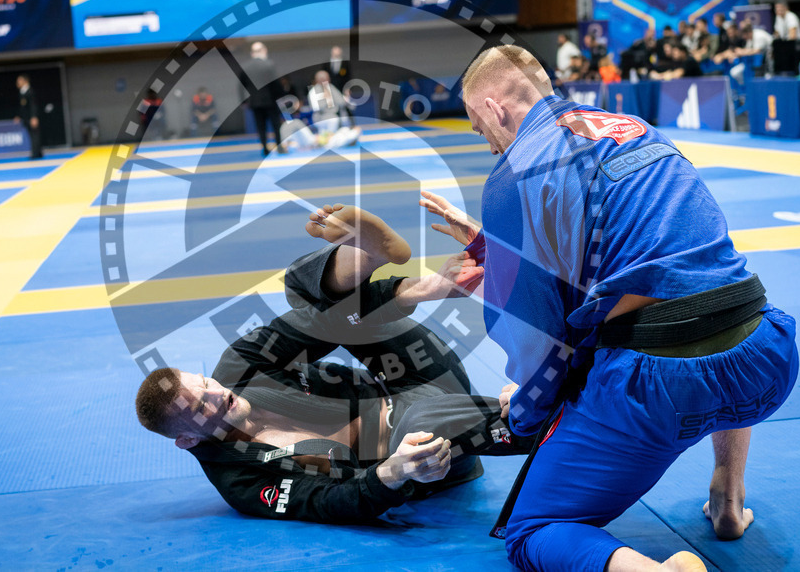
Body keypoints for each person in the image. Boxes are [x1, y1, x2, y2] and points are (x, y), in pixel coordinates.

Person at [420, 44, 798, 572]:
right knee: (705, 299)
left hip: (661, 386)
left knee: (534, 530)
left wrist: (529, 410)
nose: (487, 145)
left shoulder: (512, 177)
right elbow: (660, 253)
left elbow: (537, 334)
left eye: (479, 130)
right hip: (765, 354)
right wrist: (496, 246)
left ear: (492, 109)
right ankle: (729, 499)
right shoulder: (634, 126)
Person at [135, 204, 531, 523]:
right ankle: (533, 411)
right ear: (187, 439)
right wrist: (392, 473)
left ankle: (368, 255)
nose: (218, 394)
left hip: (412, 376)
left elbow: (321, 323)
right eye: (201, 407)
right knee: (421, 420)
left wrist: (420, 291)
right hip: (422, 453)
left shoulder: (240, 368)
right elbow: (327, 501)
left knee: (305, 292)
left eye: (205, 383)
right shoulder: (241, 480)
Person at [241, 41, 286, 156]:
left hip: (255, 102)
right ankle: (279, 146)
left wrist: (245, 101)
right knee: (276, 124)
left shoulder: (246, 67)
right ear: (263, 50)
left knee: (260, 126)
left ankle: (265, 148)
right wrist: (281, 95)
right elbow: (276, 83)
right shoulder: (268, 64)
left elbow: (242, 85)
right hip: (270, 100)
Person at [14, 75, 42, 159]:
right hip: (26, 118)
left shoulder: (30, 91)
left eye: (20, 80)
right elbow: (23, 107)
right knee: (31, 135)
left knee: (35, 135)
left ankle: (36, 153)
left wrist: (34, 117)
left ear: (25, 81)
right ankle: (38, 152)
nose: (18, 83)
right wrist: (20, 116)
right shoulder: (22, 92)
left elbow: (33, 105)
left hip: (32, 118)